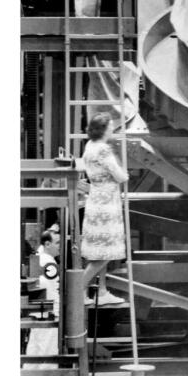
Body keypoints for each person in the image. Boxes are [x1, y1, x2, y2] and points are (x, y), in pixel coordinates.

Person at [79, 113, 128, 305]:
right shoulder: (104, 149)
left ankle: (101, 291)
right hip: (107, 202)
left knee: (101, 250)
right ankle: (78, 290)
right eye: (110, 126)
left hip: (96, 198)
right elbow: (120, 176)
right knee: (105, 252)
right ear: (103, 129)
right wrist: (124, 173)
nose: (112, 129)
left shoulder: (90, 146)